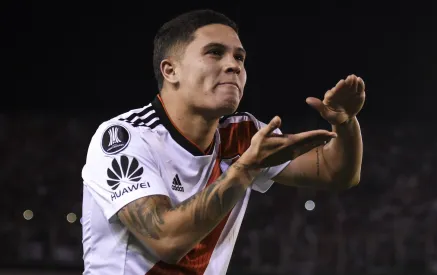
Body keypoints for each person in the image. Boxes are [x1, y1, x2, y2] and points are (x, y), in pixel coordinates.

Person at [80, 9, 365, 275]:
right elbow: (167, 240)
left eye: (239, 57)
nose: (233, 65)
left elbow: (336, 172)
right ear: (171, 71)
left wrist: (345, 123)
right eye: (215, 53)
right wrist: (246, 168)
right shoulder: (124, 137)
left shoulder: (243, 134)